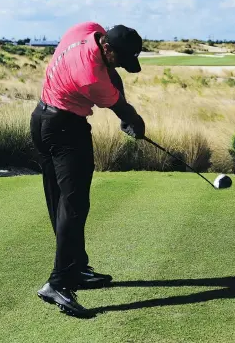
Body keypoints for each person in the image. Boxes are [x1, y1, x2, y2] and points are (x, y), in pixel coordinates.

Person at [30, 22, 146, 318]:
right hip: (65, 130)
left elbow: (115, 78)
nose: (120, 65)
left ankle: (77, 268)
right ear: (106, 48)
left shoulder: (87, 29)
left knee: (61, 202)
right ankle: (58, 283)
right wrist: (133, 121)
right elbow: (121, 107)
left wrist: (123, 98)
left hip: (41, 120)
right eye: (120, 58)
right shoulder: (91, 76)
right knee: (75, 204)